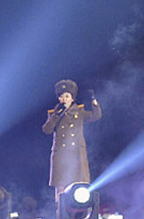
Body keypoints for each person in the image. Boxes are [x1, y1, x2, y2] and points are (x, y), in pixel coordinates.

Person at [42, 79, 101, 210]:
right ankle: (60, 212)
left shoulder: (80, 112)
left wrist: (94, 101)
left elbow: (96, 116)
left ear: (72, 98)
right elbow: (47, 130)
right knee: (60, 186)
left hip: (76, 154)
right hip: (61, 155)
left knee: (79, 186)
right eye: (61, 96)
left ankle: (80, 212)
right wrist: (56, 116)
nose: (64, 99)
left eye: (67, 96)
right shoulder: (53, 113)